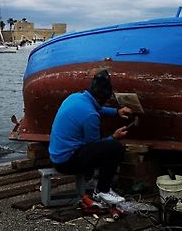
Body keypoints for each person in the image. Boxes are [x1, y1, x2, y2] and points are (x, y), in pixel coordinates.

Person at [49, 69, 132, 205]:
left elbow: (95, 107)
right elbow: (94, 146)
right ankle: (102, 190)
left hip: (56, 155)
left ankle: (92, 178)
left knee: (105, 146)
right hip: (66, 163)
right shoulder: (91, 116)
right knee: (115, 148)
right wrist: (114, 137)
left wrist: (116, 112)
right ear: (102, 99)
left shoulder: (75, 97)